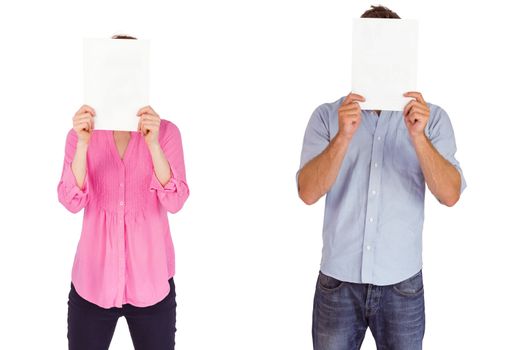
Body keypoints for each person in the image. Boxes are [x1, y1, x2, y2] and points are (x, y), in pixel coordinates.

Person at [296, 6, 466, 350]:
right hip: (337, 285)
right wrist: (343, 137)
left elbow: (450, 194)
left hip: (402, 285)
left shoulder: (433, 120)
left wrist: (418, 138)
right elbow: (307, 192)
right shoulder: (327, 117)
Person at [57, 34, 189, 350]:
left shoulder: (166, 133)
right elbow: (70, 200)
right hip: (93, 282)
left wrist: (153, 144)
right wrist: (84, 144)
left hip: (150, 282)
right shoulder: (80, 136)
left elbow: (176, 200)